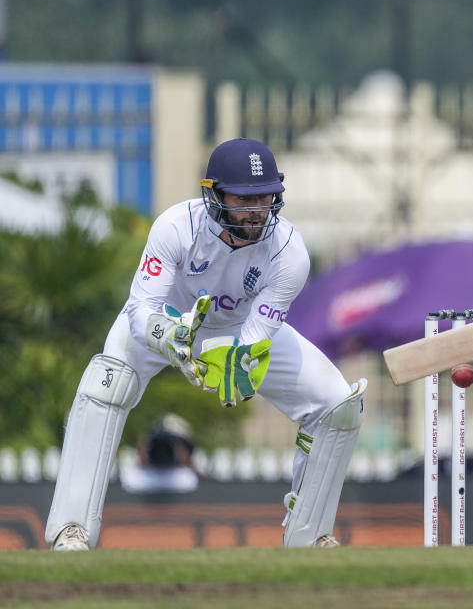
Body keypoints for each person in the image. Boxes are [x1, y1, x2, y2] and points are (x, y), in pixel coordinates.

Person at [46, 138, 366, 550]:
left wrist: (240, 359)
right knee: (105, 384)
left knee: (337, 404)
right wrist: (171, 336)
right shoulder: (176, 227)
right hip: (165, 320)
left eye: (266, 197)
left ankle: (309, 536)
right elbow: (141, 309)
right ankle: (72, 531)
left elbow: (256, 335)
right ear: (214, 195)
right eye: (244, 199)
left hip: (237, 327)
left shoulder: (290, 254)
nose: (257, 211)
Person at [120, 413, 199, 494]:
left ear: (188, 453)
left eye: (173, 443)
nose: (162, 450)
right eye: (157, 443)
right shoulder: (125, 483)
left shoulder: (197, 483)